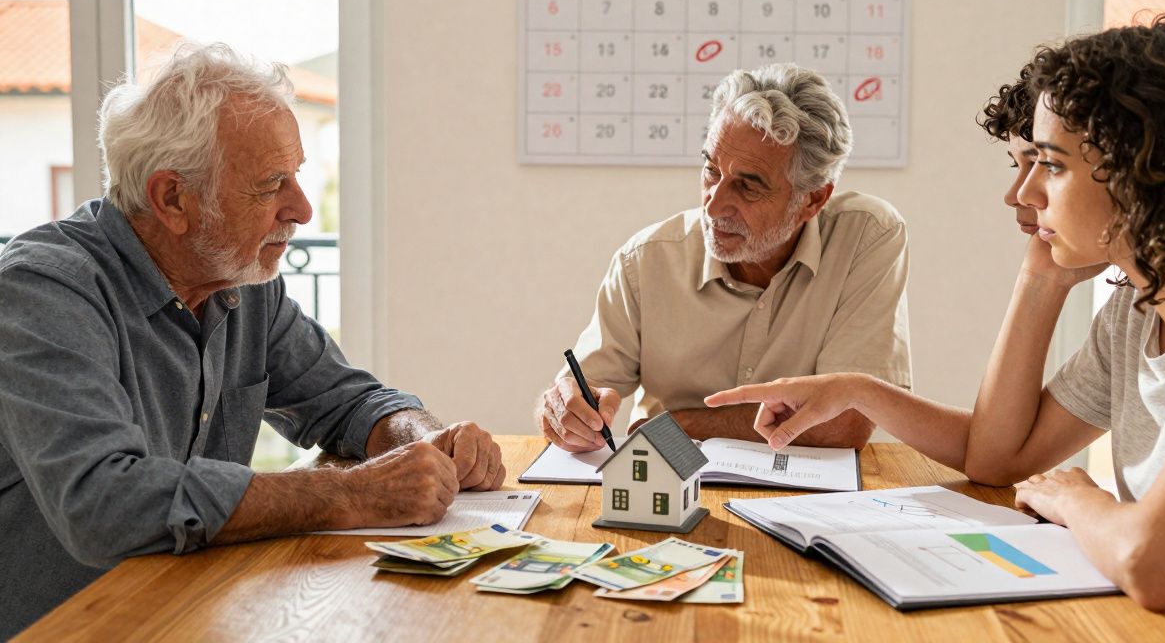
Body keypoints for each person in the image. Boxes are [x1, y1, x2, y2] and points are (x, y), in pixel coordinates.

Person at [705, 16, 1165, 639]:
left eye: (1049, 164)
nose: (1021, 192)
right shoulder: (1138, 311)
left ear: (1143, 171)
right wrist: (862, 386)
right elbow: (998, 459)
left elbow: (1155, 564)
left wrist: (1078, 499)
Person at [0, 43, 506, 634]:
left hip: (193, 611)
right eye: (271, 186)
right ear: (172, 199)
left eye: (297, 177)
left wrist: (423, 440)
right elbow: (103, 504)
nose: (303, 209)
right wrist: (351, 494)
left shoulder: (238, 278)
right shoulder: (43, 290)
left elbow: (349, 401)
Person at [536, 63, 911, 452]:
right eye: (711, 171)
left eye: (747, 187)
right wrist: (566, 414)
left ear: (813, 199)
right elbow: (578, 396)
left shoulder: (867, 236)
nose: (714, 207)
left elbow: (846, 423)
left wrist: (677, 424)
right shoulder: (644, 261)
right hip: (669, 483)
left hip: (806, 499)